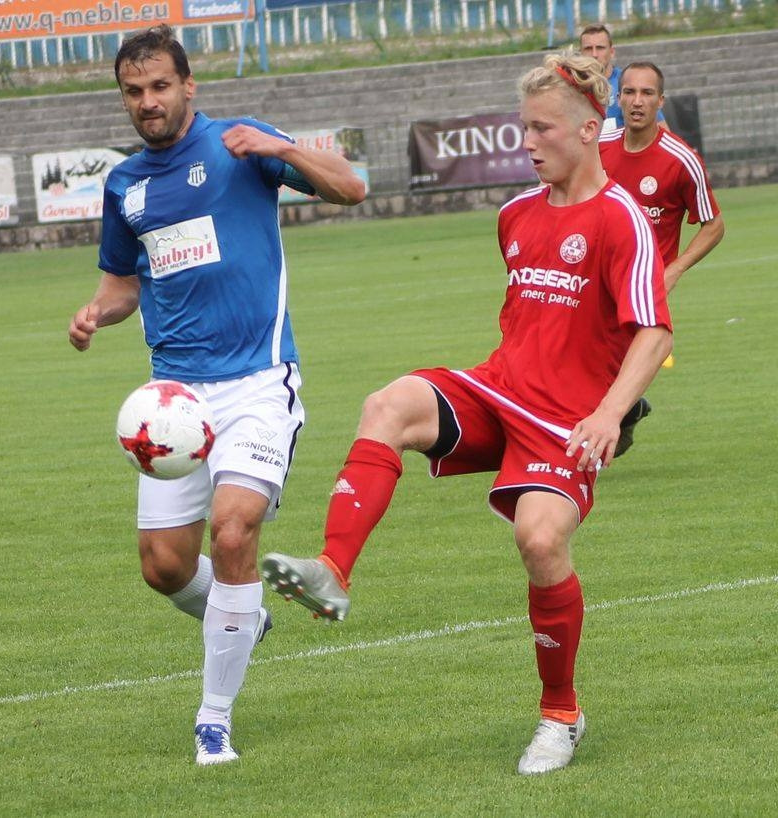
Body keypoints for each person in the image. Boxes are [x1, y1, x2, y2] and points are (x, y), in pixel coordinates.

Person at [262, 51, 673, 775]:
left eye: (543, 129)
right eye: (524, 128)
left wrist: (610, 414)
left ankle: (561, 715)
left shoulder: (621, 220)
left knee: (539, 542)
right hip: (497, 391)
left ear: (587, 130)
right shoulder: (515, 214)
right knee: (388, 404)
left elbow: (655, 331)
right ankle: (331, 569)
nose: (528, 142)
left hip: (564, 424)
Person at [68, 24, 365, 766]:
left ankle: (213, 721)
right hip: (173, 401)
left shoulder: (240, 143)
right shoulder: (125, 185)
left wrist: (282, 149)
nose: (148, 101)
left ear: (188, 85)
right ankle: (244, 617)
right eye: (134, 91)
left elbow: (351, 188)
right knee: (164, 567)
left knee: (233, 533)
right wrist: (96, 312)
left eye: (160, 86)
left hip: (258, 381)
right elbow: (123, 282)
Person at [599, 61, 724, 455]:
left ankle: (616, 417)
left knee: (611, 363)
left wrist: (675, 269)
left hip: (643, 285)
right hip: (596, 277)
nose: (637, 101)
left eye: (647, 93)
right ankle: (627, 410)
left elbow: (714, 225)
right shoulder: (599, 149)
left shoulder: (680, 159)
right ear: (619, 98)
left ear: (660, 101)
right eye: (630, 92)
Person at [579, 24, 667, 133]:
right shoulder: (571, 87)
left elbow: (663, 132)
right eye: (588, 48)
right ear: (580, 53)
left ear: (612, 52)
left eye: (600, 48)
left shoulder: (629, 83)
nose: (594, 54)